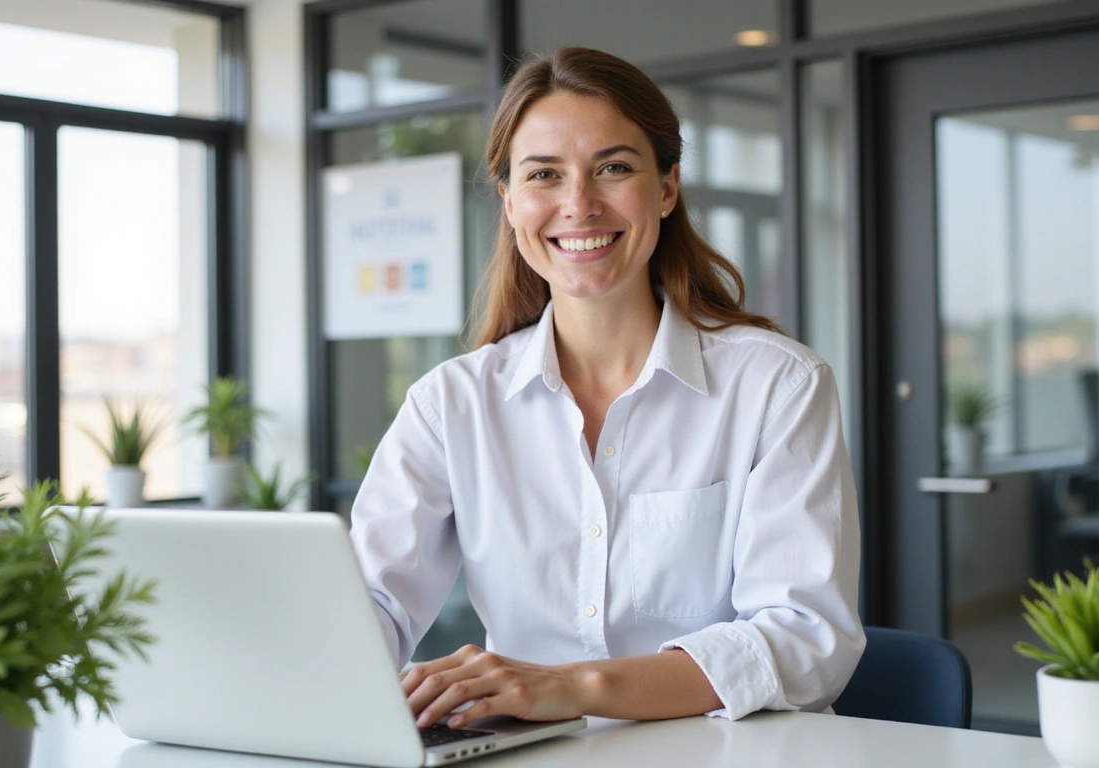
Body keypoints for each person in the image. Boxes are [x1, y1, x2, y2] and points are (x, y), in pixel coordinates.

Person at [348, 46, 864, 730]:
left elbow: (806, 637)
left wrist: (576, 687)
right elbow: (368, 606)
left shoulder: (778, 386)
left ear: (667, 187)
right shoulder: (451, 404)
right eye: (544, 176)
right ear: (509, 201)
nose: (579, 205)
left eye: (613, 168)